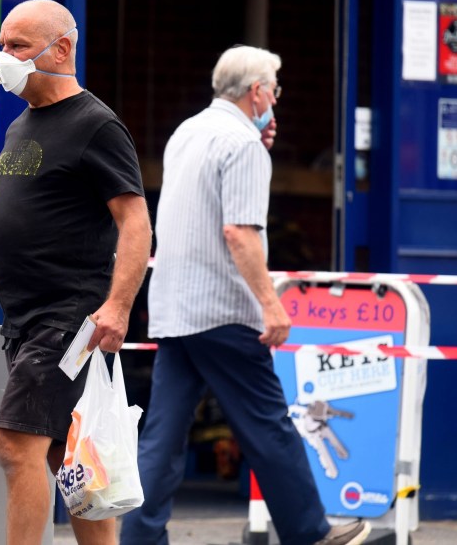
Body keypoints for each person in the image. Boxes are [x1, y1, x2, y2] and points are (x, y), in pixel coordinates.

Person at [0, 0, 152, 545]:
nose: (4, 58)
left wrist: (117, 306)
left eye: (17, 46)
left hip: (69, 316)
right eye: (1, 45)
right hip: (25, 319)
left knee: (15, 441)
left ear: (62, 48)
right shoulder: (23, 125)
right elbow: (20, 237)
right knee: (63, 453)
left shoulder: (97, 125)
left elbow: (136, 222)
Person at [119, 46, 371, 545]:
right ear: (257, 93)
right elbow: (239, 232)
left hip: (175, 308)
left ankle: (138, 538)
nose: (276, 99)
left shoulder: (187, 133)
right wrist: (271, 304)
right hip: (224, 309)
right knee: (268, 425)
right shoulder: (244, 146)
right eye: (274, 91)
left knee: (162, 438)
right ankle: (309, 531)